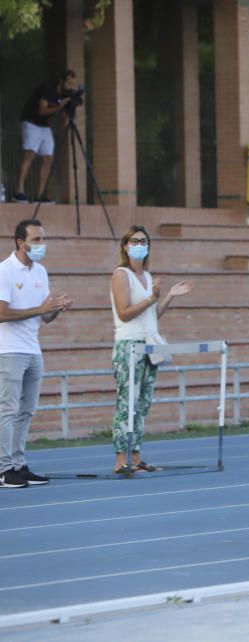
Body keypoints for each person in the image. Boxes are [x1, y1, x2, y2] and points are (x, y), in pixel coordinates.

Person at [109, 225, 193, 474]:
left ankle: (136, 458)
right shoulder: (121, 274)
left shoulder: (147, 277)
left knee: (142, 404)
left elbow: (151, 317)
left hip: (148, 344)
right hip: (128, 345)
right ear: (125, 246)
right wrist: (150, 299)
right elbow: (124, 313)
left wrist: (168, 296)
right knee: (127, 403)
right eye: (134, 241)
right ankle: (120, 459)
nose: (139, 245)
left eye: (143, 241)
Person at [0, 219, 72, 488]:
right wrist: (40, 310)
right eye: (37, 240)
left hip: (33, 348)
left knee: (26, 411)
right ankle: (4, 468)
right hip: (8, 351)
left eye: (44, 239)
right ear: (21, 242)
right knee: (7, 410)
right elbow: (2, 313)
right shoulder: (5, 271)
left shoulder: (40, 272)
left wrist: (56, 308)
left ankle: (19, 464)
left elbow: (45, 316)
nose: (42, 244)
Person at [13, 70, 80, 204]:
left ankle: (40, 195)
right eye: (69, 83)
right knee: (29, 155)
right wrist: (60, 105)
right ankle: (19, 192)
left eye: (73, 84)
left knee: (48, 158)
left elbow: (64, 115)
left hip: (44, 126)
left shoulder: (64, 94)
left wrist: (70, 108)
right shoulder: (48, 89)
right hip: (31, 122)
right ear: (61, 81)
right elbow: (42, 110)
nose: (71, 86)